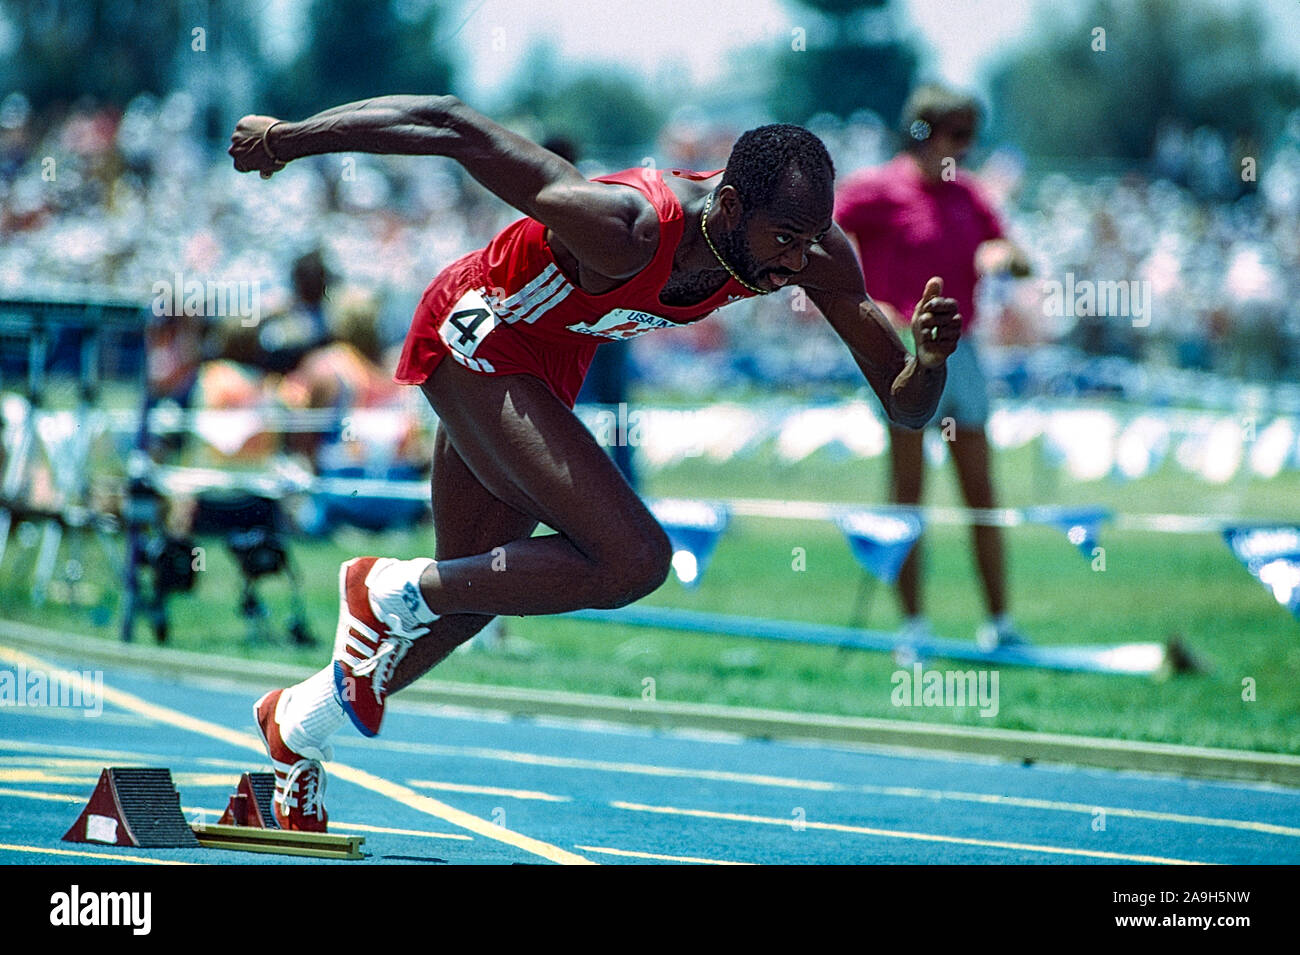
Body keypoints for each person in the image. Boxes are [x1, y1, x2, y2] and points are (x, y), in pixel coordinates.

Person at [228, 94, 963, 831]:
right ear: (733, 206)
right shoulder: (627, 225)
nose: (796, 263)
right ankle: (389, 584)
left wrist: (927, 360)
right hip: (477, 331)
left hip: (549, 364)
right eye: (784, 240)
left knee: (484, 586)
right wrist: (289, 140)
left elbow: (906, 404)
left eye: (809, 241)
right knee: (636, 558)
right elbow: (453, 126)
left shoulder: (817, 257)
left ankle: (298, 722)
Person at [835, 85, 1031, 651]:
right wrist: (868, 312)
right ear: (923, 133)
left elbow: (999, 247)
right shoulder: (875, 189)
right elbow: (824, 237)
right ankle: (913, 628)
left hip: (962, 350)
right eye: (958, 135)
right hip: (900, 352)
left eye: (972, 136)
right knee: (907, 496)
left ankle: (1000, 624)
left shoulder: (969, 195)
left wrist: (1006, 258)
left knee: (982, 495)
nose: (966, 149)